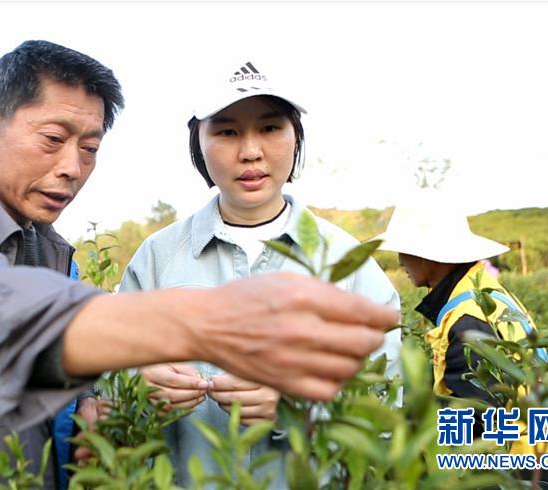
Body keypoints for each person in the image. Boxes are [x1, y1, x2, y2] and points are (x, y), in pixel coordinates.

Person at [0, 41, 398, 489]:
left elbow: (389, 413)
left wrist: (104, 409)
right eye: (53, 138)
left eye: (90, 148)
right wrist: (196, 323)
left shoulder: (53, 254)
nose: (72, 166)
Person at [117, 59, 403, 488]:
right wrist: (139, 389)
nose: (250, 151)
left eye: (270, 128)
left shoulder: (350, 267)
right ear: (198, 141)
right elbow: (109, 389)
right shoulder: (156, 260)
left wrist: (299, 406)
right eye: (227, 131)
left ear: (296, 136)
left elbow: (384, 412)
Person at [371, 200, 548, 489]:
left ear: (430, 255)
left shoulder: (467, 320)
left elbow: (477, 432)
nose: (400, 261)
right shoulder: (484, 293)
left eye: (405, 251)